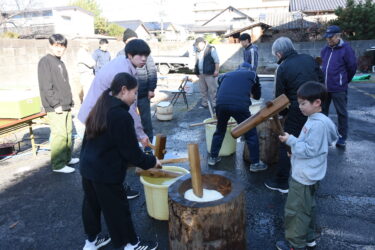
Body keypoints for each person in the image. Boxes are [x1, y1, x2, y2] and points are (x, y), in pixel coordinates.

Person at [80, 72, 160, 250]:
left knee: (91, 205)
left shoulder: (101, 105)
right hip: (105, 171)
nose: (135, 97)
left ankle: (91, 241)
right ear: (124, 90)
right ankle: (130, 244)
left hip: (87, 167)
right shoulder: (121, 116)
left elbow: (91, 140)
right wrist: (152, 162)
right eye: (134, 92)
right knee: (117, 210)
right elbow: (132, 154)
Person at [78, 39, 151, 200]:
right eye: (140, 55)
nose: (144, 59)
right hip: (97, 116)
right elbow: (130, 106)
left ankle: (97, 188)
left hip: (98, 113)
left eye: (146, 55)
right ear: (130, 55)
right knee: (109, 153)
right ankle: (113, 189)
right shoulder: (121, 71)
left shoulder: (125, 64)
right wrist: (140, 134)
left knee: (96, 153)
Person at [275, 81, 338, 250]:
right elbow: (317, 145)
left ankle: (295, 244)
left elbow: (310, 150)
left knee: (296, 211)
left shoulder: (317, 124)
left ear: (317, 102)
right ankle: (309, 238)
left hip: (304, 176)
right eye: (299, 103)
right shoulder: (319, 119)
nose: (300, 107)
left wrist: (291, 141)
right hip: (312, 173)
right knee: (307, 207)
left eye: (303, 103)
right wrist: (294, 149)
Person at [264, 37, 324, 193]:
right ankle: (311, 179)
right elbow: (322, 81)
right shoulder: (310, 59)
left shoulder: (283, 67)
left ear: (279, 53)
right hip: (316, 107)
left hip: (298, 109)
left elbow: (280, 97)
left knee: (288, 143)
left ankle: (281, 182)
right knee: (312, 143)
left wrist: (283, 114)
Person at [208, 62, 267, 171]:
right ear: (249, 69)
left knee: (220, 131)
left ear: (238, 68)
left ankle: (213, 158)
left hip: (221, 105)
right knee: (251, 133)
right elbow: (257, 96)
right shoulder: (252, 75)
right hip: (239, 105)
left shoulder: (225, 75)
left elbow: (221, 90)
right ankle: (255, 164)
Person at [37, 34, 79, 174]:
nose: (59, 49)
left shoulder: (60, 62)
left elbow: (65, 85)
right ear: (51, 45)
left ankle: (66, 158)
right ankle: (58, 164)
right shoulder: (45, 61)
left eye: (62, 46)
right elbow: (45, 86)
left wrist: (70, 101)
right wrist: (55, 104)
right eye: (56, 46)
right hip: (56, 106)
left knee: (67, 133)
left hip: (65, 104)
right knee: (59, 135)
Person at [117, 29, 157, 151]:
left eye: (134, 40)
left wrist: (151, 88)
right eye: (129, 41)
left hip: (143, 93)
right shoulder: (120, 55)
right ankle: (134, 146)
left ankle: (148, 146)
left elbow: (152, 70)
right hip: (127, 95)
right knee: (129, 121)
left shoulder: (144, 53)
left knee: (146, 120)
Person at [321, 25, 357, 148]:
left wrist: (344, 81)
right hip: (325, 88)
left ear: (338, 36)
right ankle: (324, 136)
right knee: (322, 113)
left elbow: (352, 67)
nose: (328, 40)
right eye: (327, 37)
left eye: (331, 37)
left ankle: (342, 137)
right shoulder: (325, 50)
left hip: (339, 88)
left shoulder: (346, 49)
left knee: (341, 113)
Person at [194, 37, 220, 108]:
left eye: (197, 45)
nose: (196, 46)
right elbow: (197, 61)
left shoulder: (211, 49)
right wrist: (196, 71)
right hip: (201, 73)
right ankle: (204, 104)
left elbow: (216, 61)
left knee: (213, 90)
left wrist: (216, 70)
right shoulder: (198, 50)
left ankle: (214, 104)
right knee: (203, 90)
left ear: (202, 43)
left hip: (210, 73)